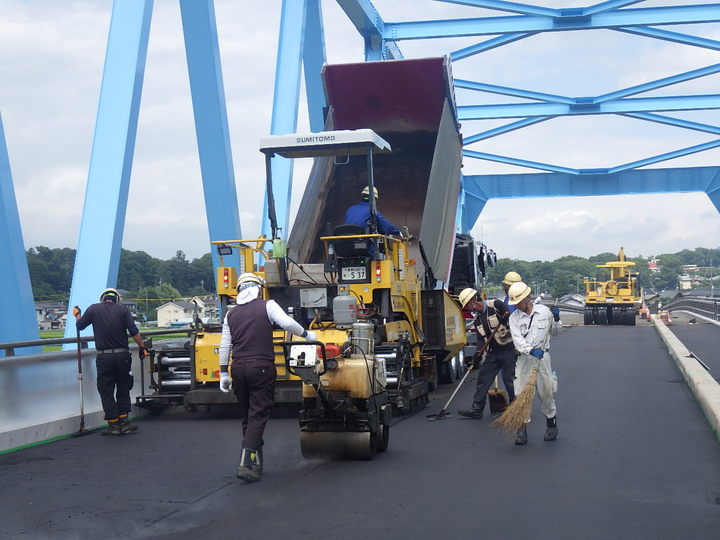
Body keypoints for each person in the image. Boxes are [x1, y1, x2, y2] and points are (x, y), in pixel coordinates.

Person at [218, 272, 317, 483]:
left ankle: (255, 461)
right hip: (261, 367)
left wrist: (224, 373)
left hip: (238, 368)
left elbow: (225, 345)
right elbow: (288, 324)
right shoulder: (267, 305)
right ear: (258, 288)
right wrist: (307, 335)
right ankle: (246, 462)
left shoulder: (230, 314)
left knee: (247, 415)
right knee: (259, 413)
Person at [74, 288, 145, 436]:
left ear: (103, 299)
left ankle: (113, 425)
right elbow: (133, 331)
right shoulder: (123, 310)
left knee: (106, 389)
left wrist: (77, 315)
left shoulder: (93, 309)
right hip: (122, 356)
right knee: (123, 386)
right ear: (116, 299)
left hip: (104, 357)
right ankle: (124, 423)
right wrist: (142, 347)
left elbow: (79, 326)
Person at [506, 281, 562, 445]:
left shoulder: (544, 312)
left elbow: (556, 332)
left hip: (543, 358)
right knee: (521, 393)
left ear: (528, 298)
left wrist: (557, 319)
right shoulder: (514, 318)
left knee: (546, 392)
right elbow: (518, 341)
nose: (517, 305)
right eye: (515, 302)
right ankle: (521, 429)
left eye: (519, 301)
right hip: (524, 359)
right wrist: (530, 350)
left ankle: (551, 423)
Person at [457, 288, 516, 420]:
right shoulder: (477, 320)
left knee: (509, 380)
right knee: (483, 378)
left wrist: (506, 318)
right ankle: (477, 409)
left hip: (508, 349)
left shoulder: (495, 305)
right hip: (493, 353)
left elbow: (513, 321)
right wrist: (477, 355)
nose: (467, 308)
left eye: (467, 305)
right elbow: (480, 339)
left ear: (473, 300)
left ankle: (515, 408)